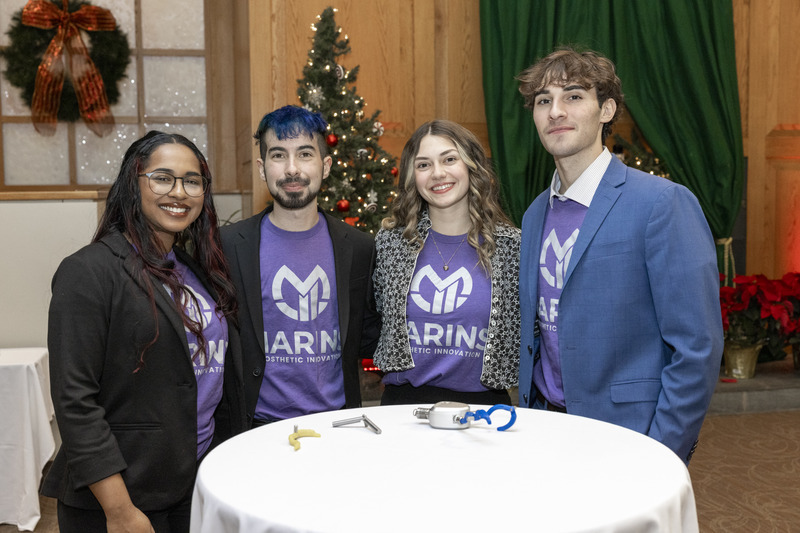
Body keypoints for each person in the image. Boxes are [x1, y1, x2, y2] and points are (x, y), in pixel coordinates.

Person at [516, 47, 723, 463]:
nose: (555, 111)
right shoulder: (535, 213)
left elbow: (697, 347)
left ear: (606, 110)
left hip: (630, 438)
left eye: (574, 96)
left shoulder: (662, 203)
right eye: (543, 100)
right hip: (545, 430)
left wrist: (661, 450)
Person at [42, 131, 247, 532]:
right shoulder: (88, 271)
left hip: (193, 480)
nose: (179, 192)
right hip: (122, 494)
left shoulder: (196, 269)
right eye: (162, 178)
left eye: (192, 181)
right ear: (132, 185)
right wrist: (119, 509)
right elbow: (75, 401)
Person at [221, 105, 380, 427]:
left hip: (337, 425)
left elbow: (372, 335)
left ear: (326, 166)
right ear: (262, 168)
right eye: (278, 155)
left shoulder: (360, 248)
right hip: (256, 428)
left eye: (305, 154)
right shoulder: (228, 246)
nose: (292, 169)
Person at [373, 119, 520, 406]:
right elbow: (374, 320)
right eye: (423, 165)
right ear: (412, 176)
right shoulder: (391, 244)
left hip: (484, 409)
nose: (438, 173)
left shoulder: (511, 247)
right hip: (402, 407)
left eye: (449, 159)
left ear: (471, 166)